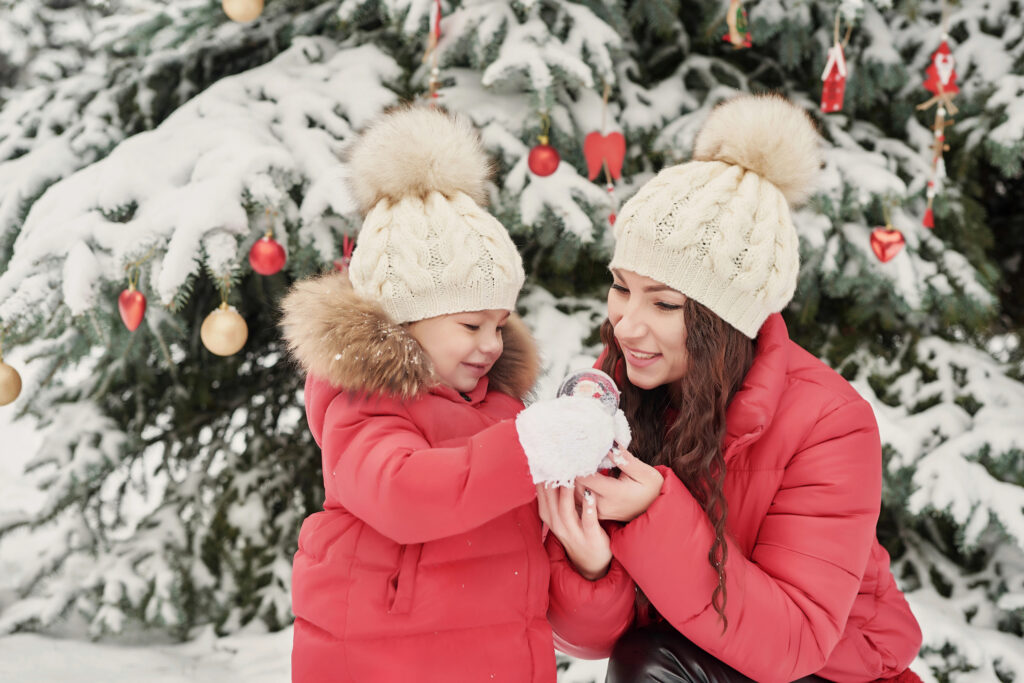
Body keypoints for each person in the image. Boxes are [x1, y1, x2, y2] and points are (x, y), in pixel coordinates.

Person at [539, 94, 923, 683]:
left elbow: (795, 642)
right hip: (696, 656)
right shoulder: (615, 393)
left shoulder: (829, 422)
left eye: (665, 304)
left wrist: (652, 515)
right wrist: (590, 566)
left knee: (651, 663)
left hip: (832, 674)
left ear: (724, 321)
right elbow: (598, 644)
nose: (625, 325)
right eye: (621, 288)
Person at [280, 106, 634, 683]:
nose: (491, 344)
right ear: (403, 320)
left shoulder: (501, 412)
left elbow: (542, 573)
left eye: (500, 325)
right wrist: (529, 447)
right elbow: (402, 493)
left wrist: (585, 548)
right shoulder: (364, 403)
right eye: (471, 325)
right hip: (384, 666)